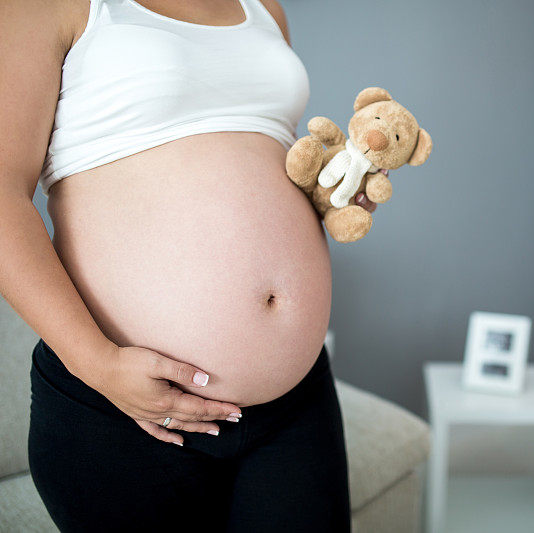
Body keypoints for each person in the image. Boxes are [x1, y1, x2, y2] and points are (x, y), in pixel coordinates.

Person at [0, 0, 365, 530]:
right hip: (125, 410)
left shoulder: (263, 9)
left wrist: (332, 190)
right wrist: (99, 365)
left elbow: (254, 159)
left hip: (292, 402)